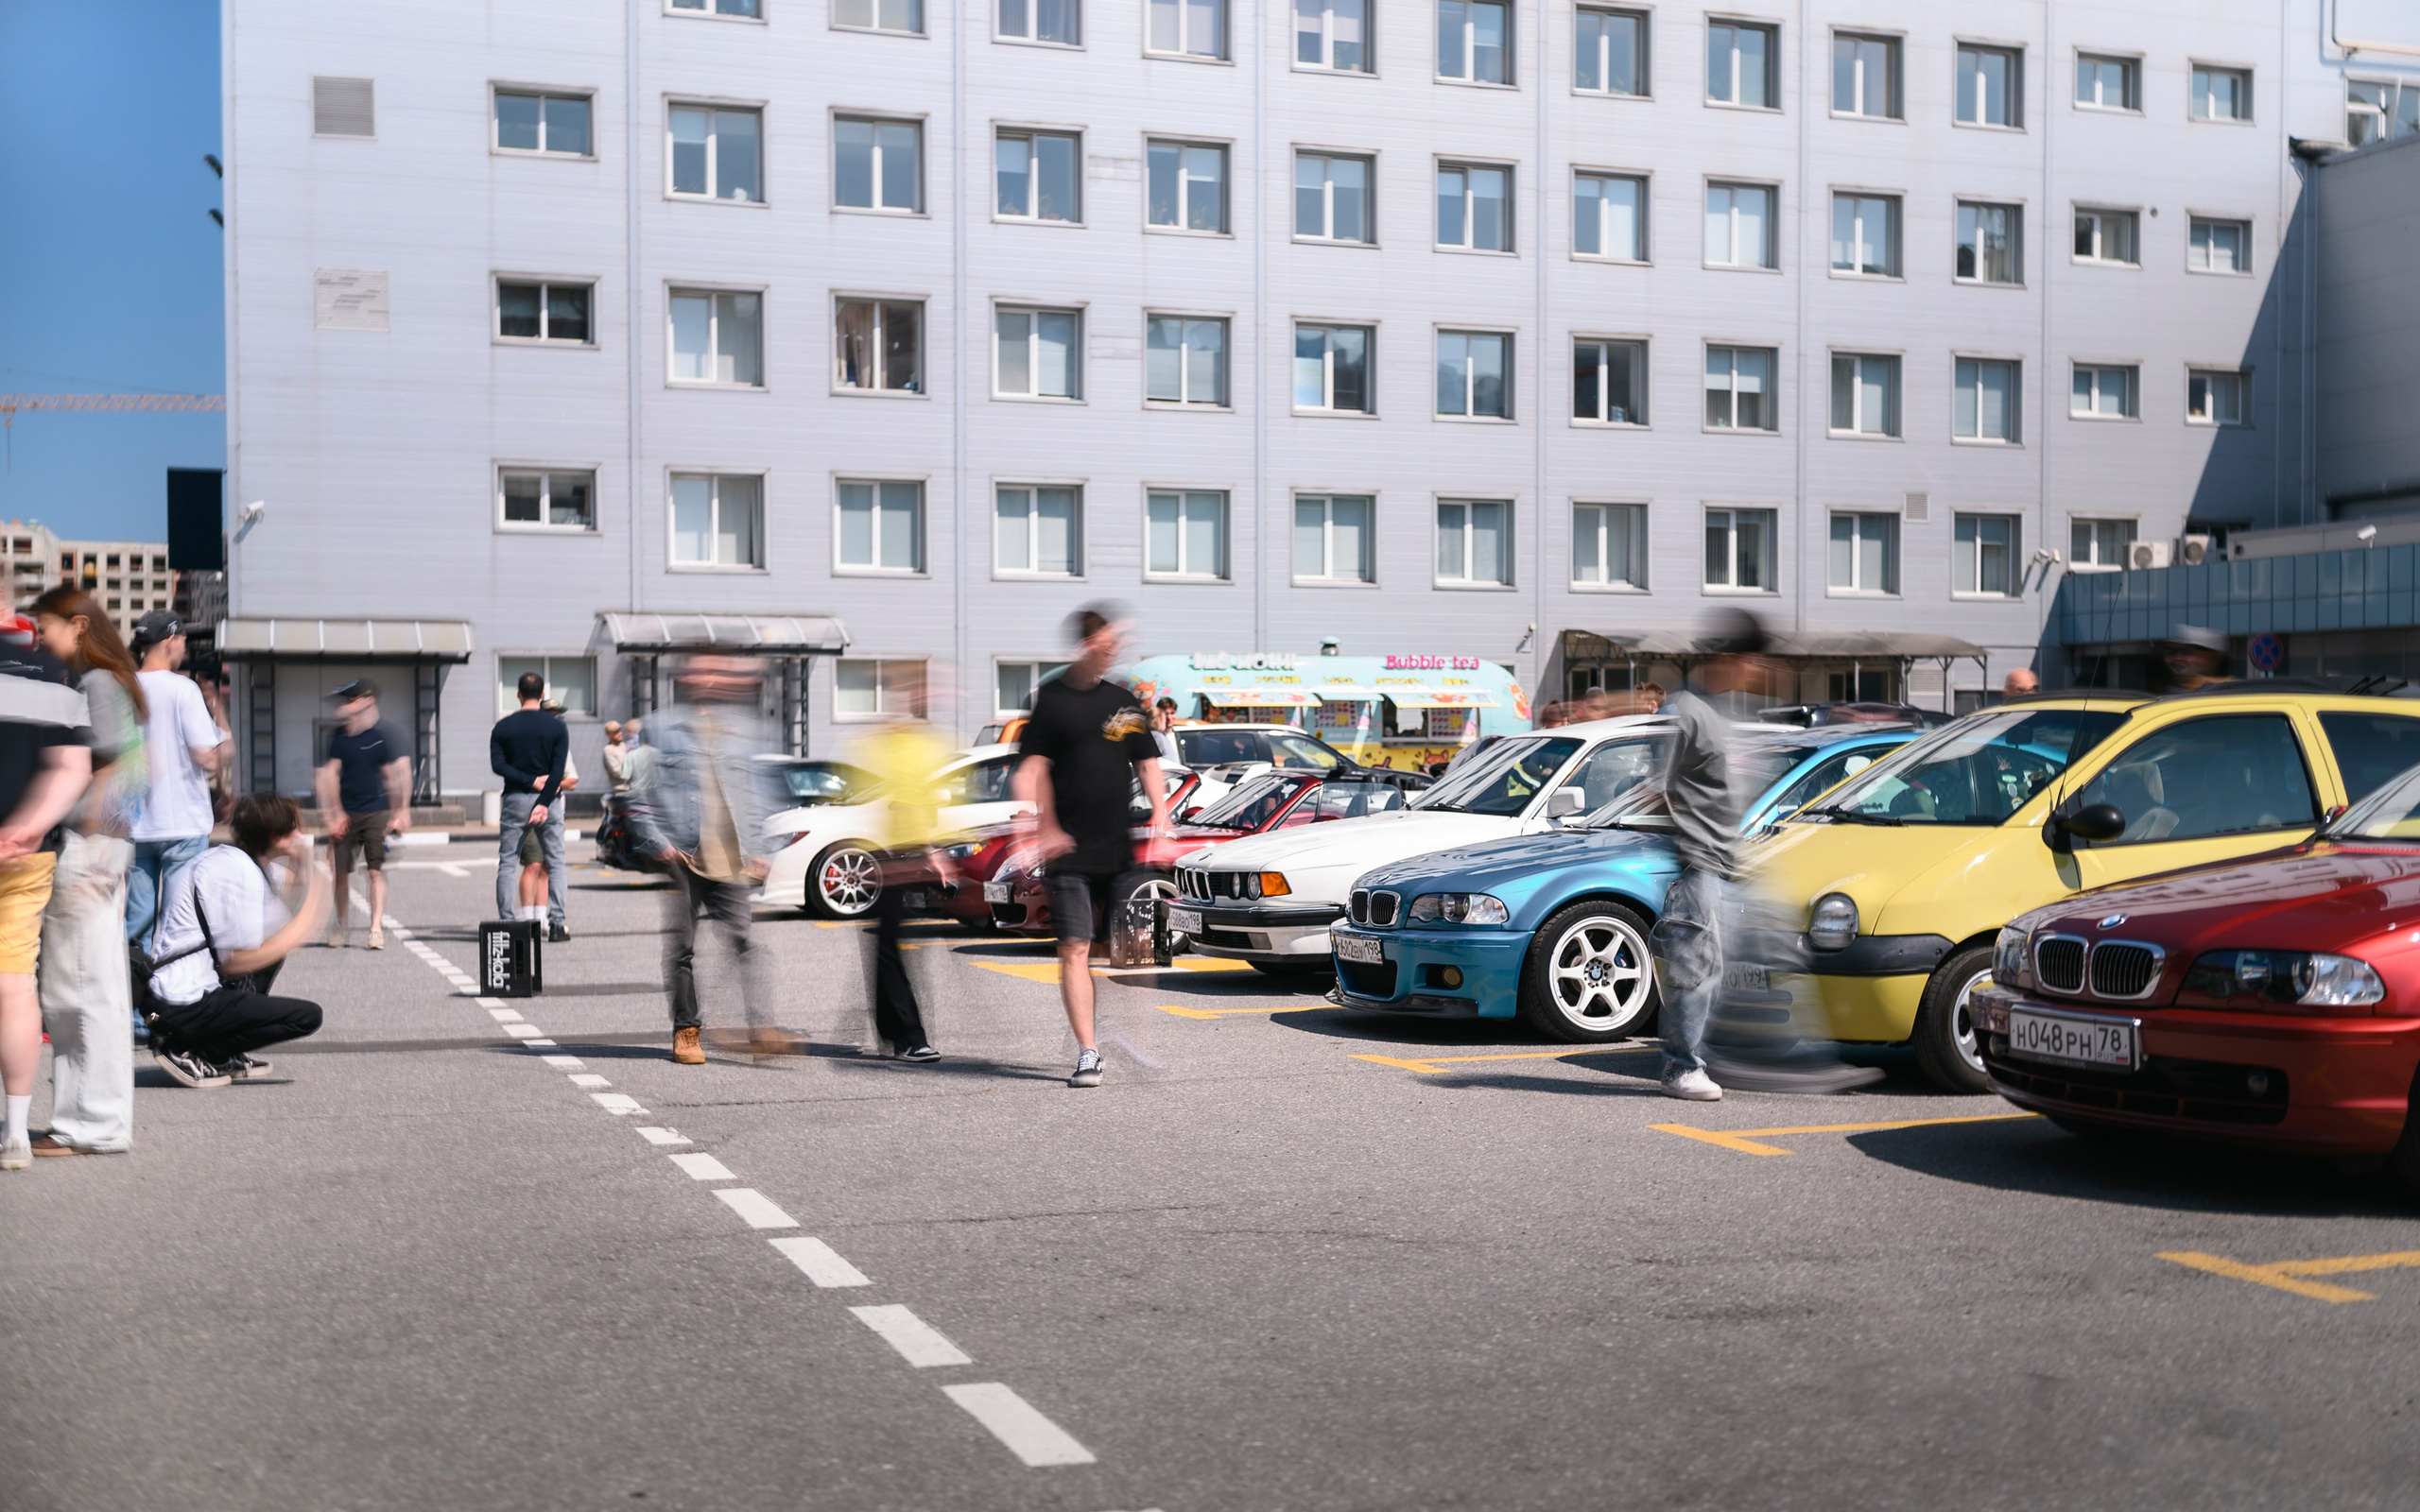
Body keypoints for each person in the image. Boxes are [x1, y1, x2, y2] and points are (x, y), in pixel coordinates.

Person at [1013, 607, 1176, 1090]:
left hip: (1119, 847)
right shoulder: (1052, 701)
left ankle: (1128, 1033)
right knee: (1075, 948)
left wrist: (1163, 816)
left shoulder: (1123, 701)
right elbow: (1031, 768)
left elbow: (1147, 763)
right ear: (1086, 644)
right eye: (1109, 640)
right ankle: (1089, 1051)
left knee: (1134, 952)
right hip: (1068, 851)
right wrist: (1037, 827)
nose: (1116, 647)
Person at [28, 589, 145, 1157]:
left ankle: (88, 1126)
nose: (39, 638)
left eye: (44, 627)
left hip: (88, 847)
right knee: (85, 991)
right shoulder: (107, 680)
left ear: (78, 626)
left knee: (78, 994)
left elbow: (121, 765)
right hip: (101, 847)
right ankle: (89, 1122)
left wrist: (100, 842)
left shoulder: (94, 683)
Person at [631, 656, 775, 1065]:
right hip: (683, 856)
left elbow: (754, 790)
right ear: (684, 678)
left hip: (732, 859)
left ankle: (760, 1028)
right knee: (682, 948)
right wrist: (655, 840)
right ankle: (686, 1032)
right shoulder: (659, 727)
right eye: (701, 670)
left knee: (746, 943)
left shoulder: (741, 731)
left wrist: (761, 846)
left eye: (718, 670)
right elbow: (634, 791)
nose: (710, 678)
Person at [1651, 611, 1771, 1103]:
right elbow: (1654, 787)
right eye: (1753, 662)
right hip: (1696, 860)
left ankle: (1694, 1059)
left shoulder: (1721, 713)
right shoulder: (1685, 710)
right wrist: (1683, 851)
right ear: (1729, 659)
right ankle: (1681, 1068)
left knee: (1713, 969)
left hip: (1721, 861)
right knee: (1692, 969)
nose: (1758, 672)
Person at [141, 795, 328, 1089]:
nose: (299, 835)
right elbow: (236, 962)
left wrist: (304, 860)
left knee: (272, 953)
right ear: (273, 835)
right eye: (293, 830)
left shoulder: (245, 862)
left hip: (186, 990)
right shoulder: (236, 872)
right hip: (180, 1001)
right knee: (307, 1016)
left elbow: (295, 881)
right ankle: (196, 1050)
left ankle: (219, 1048)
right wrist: (300, 929)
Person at [0, 617, 94, 1169]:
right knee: (13, 985)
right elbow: (72, 768)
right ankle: (14, 1133)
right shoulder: (52, 672)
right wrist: (32, 824)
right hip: (24, 853)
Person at [124, 610, 231, 949]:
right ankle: (172, 1000)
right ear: (171, 640)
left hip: (136, 825)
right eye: (183, 639)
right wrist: (222, 730)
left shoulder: (124, 689)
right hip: (183, 823)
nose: (184, 647)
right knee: (178, 924)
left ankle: (135, 1002)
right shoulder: (183, 689)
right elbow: (205, 754)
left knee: (136, 924)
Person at [852, 713, 952, 1062]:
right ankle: (908, 1037)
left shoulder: (912, 746)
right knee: (891, 950)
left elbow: (915, 802)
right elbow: (906, 803)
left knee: (888, 949)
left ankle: (895, 1035)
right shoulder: (897, 747)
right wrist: (932, 852)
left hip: (898, 856)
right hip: (893, 858)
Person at [314, 678, 410, 950]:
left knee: (375, 872)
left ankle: (375, 928)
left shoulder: (383, 735)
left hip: (376, 813)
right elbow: (328, 775)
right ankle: (341, 925)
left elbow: (397, 775)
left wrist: (400, 812)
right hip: (346, 814)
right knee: (340, 874)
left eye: (351, 700)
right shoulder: (339, 738)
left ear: (368, 701)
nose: (346, 705)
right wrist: (333, 815)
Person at [491, 672, 569, 942]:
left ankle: (506, 922)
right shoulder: (557, 727)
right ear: (543, 693)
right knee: (556, 863)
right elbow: (558, 771)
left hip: (514, 799)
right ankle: (557, 924)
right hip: (550, 802)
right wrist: (544, 800)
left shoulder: (502, 728)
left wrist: (529, 781)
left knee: (508, 863)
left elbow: (498, 766)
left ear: (518, 693)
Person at [2160, 626, 2229, 692]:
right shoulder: (2155, 690)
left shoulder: (2231, 689)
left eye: (2187, 652)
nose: (2178, 658)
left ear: (2214, 658)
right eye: (2172, 651)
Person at [1150, 697, 1181, 766]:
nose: (1169, 717)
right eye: (1166, 714)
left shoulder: (1177, 736)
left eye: (1172, 713)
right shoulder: (1156, 736)